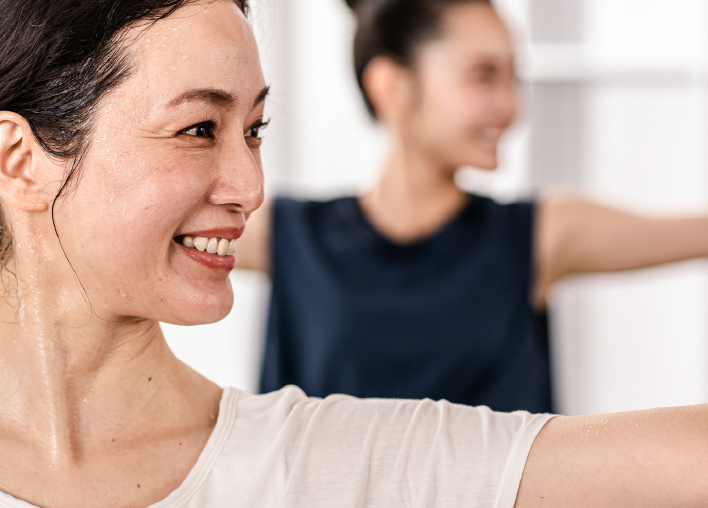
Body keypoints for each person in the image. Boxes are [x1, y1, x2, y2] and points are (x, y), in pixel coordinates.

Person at [0, 0, 708, 506]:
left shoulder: (336, 464)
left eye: (255, 131)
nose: (247, 184)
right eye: (199, 129)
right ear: (18, 159)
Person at [228, 0, 708, 413]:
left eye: (513, 76)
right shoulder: (286, 236)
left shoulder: (537, 238)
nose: (512, 106)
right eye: (484, 75)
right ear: (391, 87)